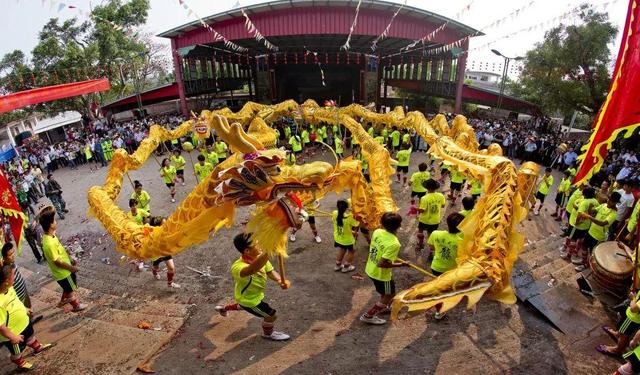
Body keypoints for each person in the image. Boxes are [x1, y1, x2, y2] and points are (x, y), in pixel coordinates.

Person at [222, 233, 290, 340]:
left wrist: (279, 280)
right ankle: (268, 334)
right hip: (249, 300)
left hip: (251, 295)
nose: (260, 245)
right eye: (256, 244)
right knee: (271, 316)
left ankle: (224, 308)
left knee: (242, 307)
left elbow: (270, 271)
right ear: (247, 251)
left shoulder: (259, 257)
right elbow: (252, 269)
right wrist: (269, 250)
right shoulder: (237, 267)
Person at [0, 265, 53, 371]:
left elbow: (16, 301)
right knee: (17, 351)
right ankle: (19, 362)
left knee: (30, 335)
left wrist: (25, 309)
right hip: (14, 333)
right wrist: (13, 337)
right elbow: (1, 327)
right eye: (13, 276)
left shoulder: (9, 288)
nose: (15, 277)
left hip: (24, 322)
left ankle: (37, 347)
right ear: (6, 281)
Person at [360, 212, 407, 325]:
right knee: (389, 295)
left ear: (382, 223)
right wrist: (401, 265)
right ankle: (368, 316)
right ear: (399, 226)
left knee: (387, 292)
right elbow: (382, 264)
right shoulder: (394, 244)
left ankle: (384, 306)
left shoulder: (377, 231)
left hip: (370, 269)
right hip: (381, 275)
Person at [39, 206, 86, 312]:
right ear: (51, 225)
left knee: (67, 288)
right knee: (71, 290)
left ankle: (63, 300)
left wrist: (69, 258)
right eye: (54, 221)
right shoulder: (49, 243)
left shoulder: (50, 236)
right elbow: (57, 261)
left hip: (63, 270)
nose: (56, 222)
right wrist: (71, 268)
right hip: (64, 273)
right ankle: (75, 305)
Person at [574, 192, 620, 272]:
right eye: (609, 199)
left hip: (598, 236)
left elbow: (602, 223)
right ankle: (583, 261)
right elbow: (593, 211)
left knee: (592, 253)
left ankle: (586, 265)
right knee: (584, 247)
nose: (609, 201)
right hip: (591, 231)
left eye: (611, 201)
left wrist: (589, 217)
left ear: (615, 203)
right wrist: (590, 207)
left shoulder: (614, 214)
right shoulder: (603, 205)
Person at [598, 290, 640, 356]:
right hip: (632, 316)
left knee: (624, 335)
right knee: (622, 329)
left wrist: (633, 298)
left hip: (632, 318)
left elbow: (634, 309)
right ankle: (617, 334)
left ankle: (617, 350)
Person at [417, 179, 446, 256]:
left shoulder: (424, 198)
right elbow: (443, 205)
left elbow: (422, 210)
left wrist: (416, 209)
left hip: (424, 220)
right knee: (431, 235)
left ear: (426, 188)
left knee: (420, 231)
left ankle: (420, 244)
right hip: (435, 220)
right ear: (436, 187)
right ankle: (431, 251)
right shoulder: (441, 195)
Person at [332, 199, 360, 273]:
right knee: (352, 251)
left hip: (338, 237)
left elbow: (343, 226)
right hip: (347, 240)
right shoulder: (349, 217)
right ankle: (346, 267)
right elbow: (356, 224)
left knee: (342, 249)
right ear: (347, 208)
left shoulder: (334, 213)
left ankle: (337, 265)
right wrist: (356, 215)